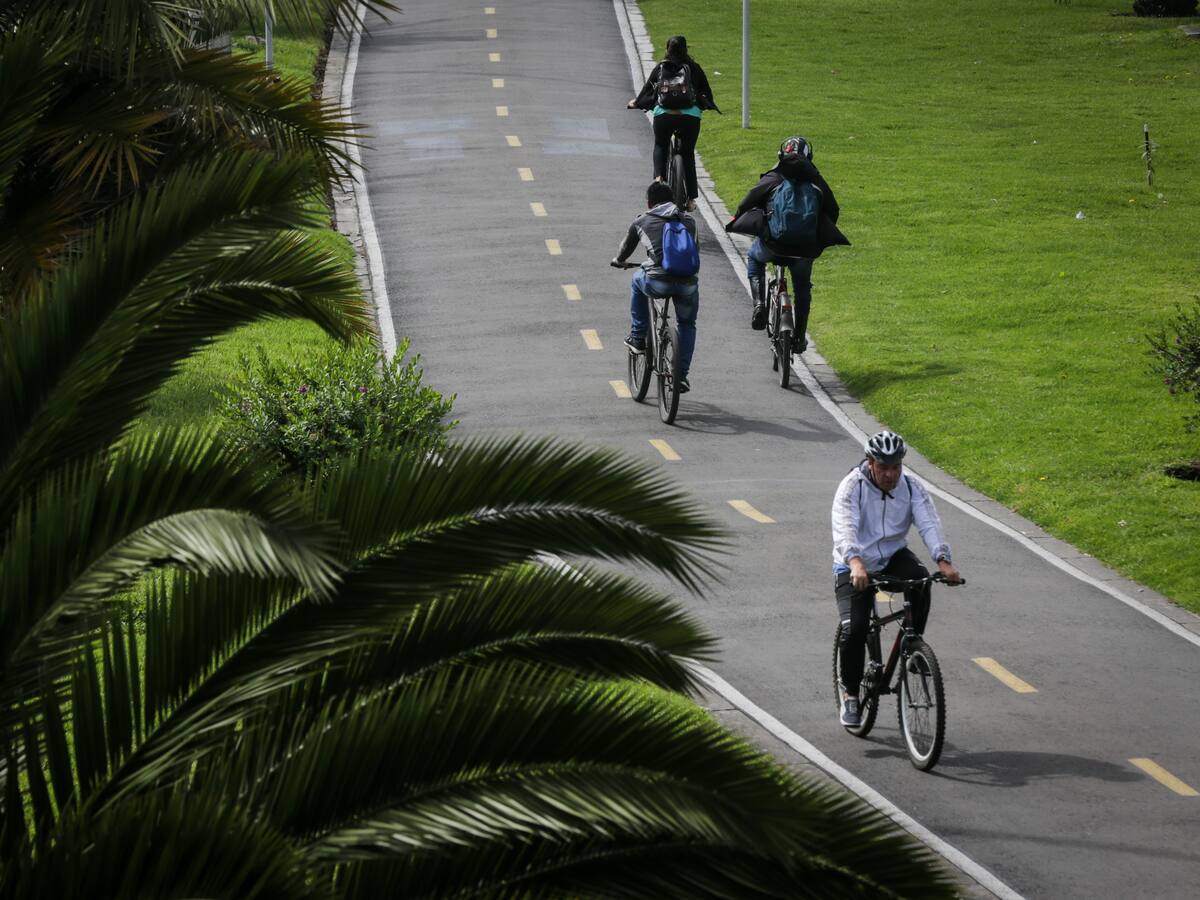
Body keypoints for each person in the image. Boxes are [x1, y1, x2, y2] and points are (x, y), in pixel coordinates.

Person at [830, 430, 963, 728]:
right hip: (853, 564)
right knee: (856, 628)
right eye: (883, 467)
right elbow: (844, 527)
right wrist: (855, 562)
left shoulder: (912, 487)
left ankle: (913, 647)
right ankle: (851, 694)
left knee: (921, 581)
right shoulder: (852, 487)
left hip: (891, 557)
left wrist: (943, 561)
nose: (890, 474)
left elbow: (928, 522)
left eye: (896, 467)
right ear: (870, 462)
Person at [725, 136, 848, 349]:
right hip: (805, 250)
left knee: (755, 259)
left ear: (781, 155)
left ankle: (759, 305)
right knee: (802, 287)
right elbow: (833, 210)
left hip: (773, 245)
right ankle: (799, 336)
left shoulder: (774, 177)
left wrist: (738, 217)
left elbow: (750, 198)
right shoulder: (817, 182)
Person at [612, 182, 699, 393]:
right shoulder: (689, 221)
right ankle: (681, 375)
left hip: (657, 280)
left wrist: (619, 260)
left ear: (649, 202)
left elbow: (624, 251)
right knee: (687, 324)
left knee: (636, 280)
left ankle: (638, 337)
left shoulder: (642, 221)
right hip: (687, 283)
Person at [627, 35, 719, 212]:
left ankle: (658, 178)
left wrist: (636, 103)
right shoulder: (694, 68)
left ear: (667, 49)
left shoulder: (661, 67)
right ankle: (691, 199)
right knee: (687, 153)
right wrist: (703, 105)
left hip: (664, 116)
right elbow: (706, 92)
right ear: (686, 49)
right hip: (690, 119)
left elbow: (648, 90)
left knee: (661, 144)